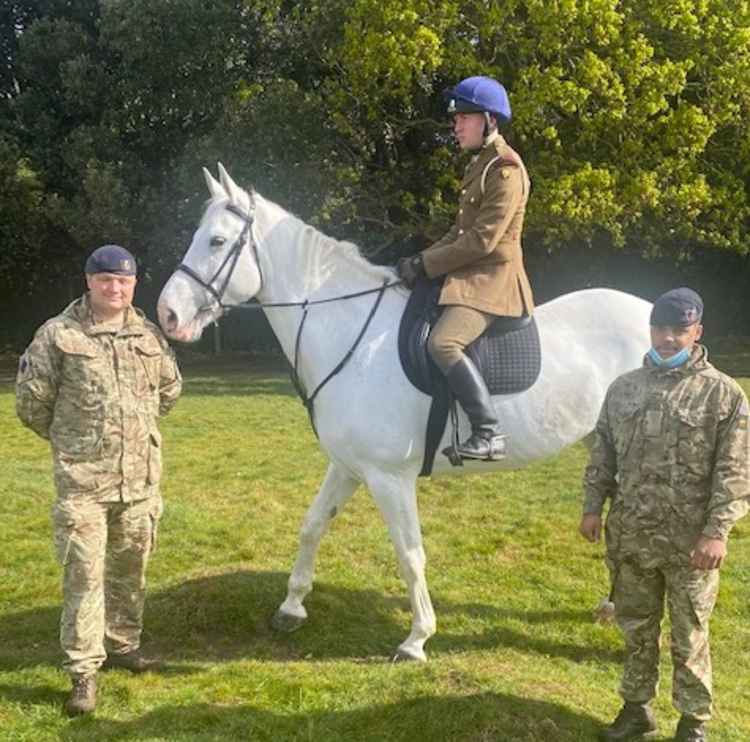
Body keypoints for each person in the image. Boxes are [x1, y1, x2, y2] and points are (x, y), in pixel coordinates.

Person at [16, 245, 182, 716]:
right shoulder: (58, 335)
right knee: (84, 576)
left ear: (134, 285)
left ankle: (124, 645)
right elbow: (32, 404)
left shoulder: (147, 333)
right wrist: (77, 442)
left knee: (132, 570)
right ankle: (84, 672)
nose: (115, 288)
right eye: (106, 280)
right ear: (89, 281)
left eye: (124, 281)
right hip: (84, 483)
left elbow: (169, 389)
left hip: (140, 482)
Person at [579, 288, 749, 742]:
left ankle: (693, 723)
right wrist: (593, 505)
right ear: (651, 330)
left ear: (698, 332)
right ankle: (636, 710)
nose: (668, 338)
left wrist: (717, 533)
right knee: (636, 628)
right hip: (632, 537)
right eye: (661, 328)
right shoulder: (624, 388)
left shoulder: (722, 394)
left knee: (689, 634)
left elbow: (735, 472)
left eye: (680, 330)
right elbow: (603, 453)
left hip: (690, 545)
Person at [397, 75, 534, 461]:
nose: (455, 125)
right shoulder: (482, 165)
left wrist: (427, 264)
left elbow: (482, 241)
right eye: (456, 118)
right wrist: (418, 262)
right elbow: (459, 232)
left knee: (443, 342)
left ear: (489, 119)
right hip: (472, 276)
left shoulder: (505, 169)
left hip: (494, 283)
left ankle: (488, 432)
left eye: (464, 117)